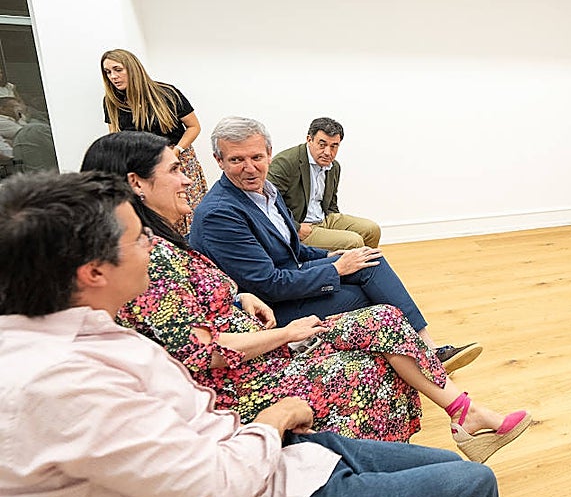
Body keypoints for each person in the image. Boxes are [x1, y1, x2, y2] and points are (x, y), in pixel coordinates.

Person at [0, 171, 555, 497]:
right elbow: (214, 486)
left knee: (421, 463)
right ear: (94, 270)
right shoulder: (61, 385)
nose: (151, 245)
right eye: (138, 237)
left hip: (263, 486)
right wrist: (274, 418)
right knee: (471, 487)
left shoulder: (61, 339)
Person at [82, 131, 529, 460]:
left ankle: (462, 411)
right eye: (176, 169)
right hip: (252, 370)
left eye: (258, 157)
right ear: (136, 183)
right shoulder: (154, 252)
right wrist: (287, 329)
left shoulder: (163, 238)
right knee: (373, 346)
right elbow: (202, 353)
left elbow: (220, 286)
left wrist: (237, 297)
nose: (186, 179)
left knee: (384, 309)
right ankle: (372, 468)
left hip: (261, 338)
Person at [191, 116, 481, 372]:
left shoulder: (268, 190)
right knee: (370, 298)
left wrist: (331, 255)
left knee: (369, 259)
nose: (249, 168)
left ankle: (427, 347)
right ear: (219, 161)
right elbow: (268, 284)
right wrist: (337, 269)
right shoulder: (221, 213)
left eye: (256, 157)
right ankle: (421, 358)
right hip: (268, 308)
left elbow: (292, 249)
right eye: (236, 160)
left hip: (291, 278)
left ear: (269, 153)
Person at [101, 48, 208, 229]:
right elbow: (115, 139)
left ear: (132, 68)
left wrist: (176, 151)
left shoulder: (166, 93)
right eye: (108, 72)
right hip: (143, 166)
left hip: (178, 159)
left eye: (118, 70)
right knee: (157, 218)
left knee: (189, 211)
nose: (113, 76)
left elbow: (193, 127)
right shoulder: (112, 102)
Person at [268, 116, 381, 250]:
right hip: (301, 225)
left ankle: (367, 270)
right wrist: (295, 227)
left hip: (325, 219)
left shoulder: (334, 167)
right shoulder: (286, 163)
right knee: (353, 241)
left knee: (372, 230)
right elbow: (267, 203)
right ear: (309, 139)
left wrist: (336, 227)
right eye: (322, 145)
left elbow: (331, 203)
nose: (328, 152)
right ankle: (347, 268)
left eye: (334, 146)